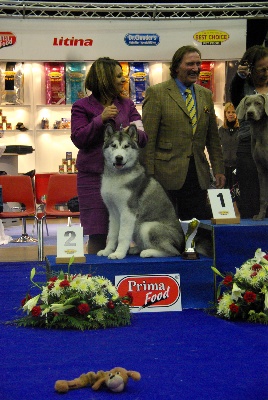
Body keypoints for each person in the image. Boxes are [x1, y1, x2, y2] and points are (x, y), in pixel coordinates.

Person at [71, 57, 148, 254]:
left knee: (124, 228)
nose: (123, 80)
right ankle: (96, 281)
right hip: (92, 178)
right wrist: (100, 120)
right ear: (104, 79)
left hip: (124, 179)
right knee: (97, 232)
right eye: (118, 76)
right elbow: (79, 138)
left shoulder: (127, 105)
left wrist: (127, 133)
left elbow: (143, 136)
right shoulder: (81, 106)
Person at [141, 45, 225, 221]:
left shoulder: (206, 95)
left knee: (195, 227)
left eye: (198, 64)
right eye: (190, 64)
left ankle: (191, 249)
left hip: (198, 174)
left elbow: (213, 139)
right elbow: (148, 140)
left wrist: (218, 169)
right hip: (164, 175)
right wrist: (148, 175)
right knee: (166, 228)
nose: (195, 68)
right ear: (177, 66)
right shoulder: (157, 93)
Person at [229, 45, 268, 218]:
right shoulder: (242, 88)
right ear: (250, 69)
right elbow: (234, 93)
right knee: (250, 193)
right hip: (248, 144)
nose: (266, 72)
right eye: (262, 69)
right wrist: (239, 77)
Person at [218, 102, 239, 190]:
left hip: (237, 167)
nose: (231, 114)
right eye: (228, 112)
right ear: (225, 114)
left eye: (233, 112)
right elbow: (217, 149)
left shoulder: (241, 130)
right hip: (224, 168)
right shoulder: (221, 130)